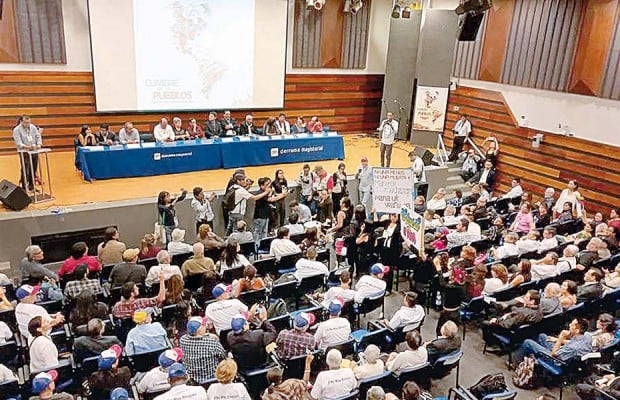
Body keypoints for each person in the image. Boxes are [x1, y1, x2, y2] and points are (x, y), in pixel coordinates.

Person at [514, 318, 592, 366]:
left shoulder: (573, 347)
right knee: (543, 336)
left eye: (572, 325)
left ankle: (515, 363)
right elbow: (573, 342)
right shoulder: (587, 335)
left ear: (577, 330)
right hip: (565, 352)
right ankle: (534, 359)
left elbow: (554, 354)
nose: (569, 325)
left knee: (528, 342)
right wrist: (557, 340)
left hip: (557, 360)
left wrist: (561, 337)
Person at [180, 316, 226, 384]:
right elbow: (223, 356)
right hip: (212, 378)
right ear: (199, 331)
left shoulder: (182, 340)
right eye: (203, 325)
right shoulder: (212, 343)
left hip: (193, 380)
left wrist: (207, 335)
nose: (206, 325)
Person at [13, 115, 43, 191]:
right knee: (26, 169)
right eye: (26, 123)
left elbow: (38, 135)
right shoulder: (17, 130)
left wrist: (39, 144)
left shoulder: (32, 127)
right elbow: (18, 142)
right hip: (24, 152)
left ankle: (31, 186)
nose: (27, 124)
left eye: (29, 122)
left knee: (34, 168)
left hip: (34, 150)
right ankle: (23, 187)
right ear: (21, 122)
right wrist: (26, 147)